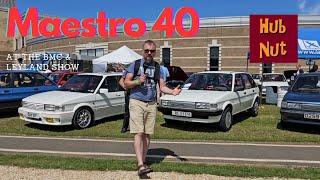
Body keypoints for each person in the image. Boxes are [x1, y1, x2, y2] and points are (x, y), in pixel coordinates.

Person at [124, 40, 181, 176]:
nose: (149, 53)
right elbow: (126, 83)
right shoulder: (135, 64)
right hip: (136, 101)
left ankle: (143, 162)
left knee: (147, 134)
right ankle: (140, 164)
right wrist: (138, 81)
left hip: (151, 103)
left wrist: (172, 92)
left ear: (155, 52)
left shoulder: (157, 67)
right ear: (142, 51)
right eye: (147, 51)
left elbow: (162, 86)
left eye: (152, 51)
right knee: (138, 132)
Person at [118, 68, 130, 133]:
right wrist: (126, 88)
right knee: (127, 112)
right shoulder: (127, 71)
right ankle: (124, 127)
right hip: (129, 94)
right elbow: (120, 81)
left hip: (137, 94)